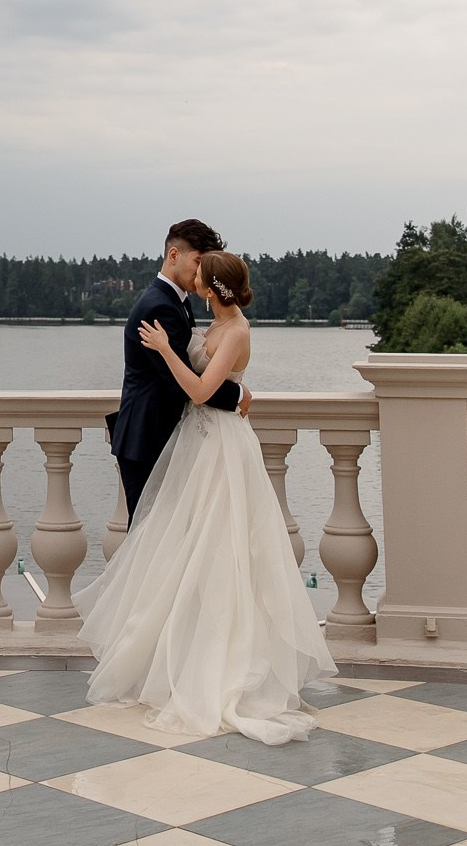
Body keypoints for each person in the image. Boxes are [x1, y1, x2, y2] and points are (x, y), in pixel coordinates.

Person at [83, 249, 337, 743]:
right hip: (196, 443)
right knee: (181, 548)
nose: (192, 276)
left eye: (200, 273)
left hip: (220, 445)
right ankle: (175, 652)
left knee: (221, 549)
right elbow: (213, 389)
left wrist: (167, 349)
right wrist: (237, 393)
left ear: (211, 286)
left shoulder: (236, 330)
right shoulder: (205, 320)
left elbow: (200, 391)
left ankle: (221, 664)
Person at [105, 219, 248, 523]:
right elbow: (179, 382)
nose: (201, 273)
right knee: (148, 538)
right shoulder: (159, 306)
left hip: (161, 436)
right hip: (148, 438)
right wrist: (236, 394)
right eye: (198, 261)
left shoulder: (176, 302)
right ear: (174, 255)